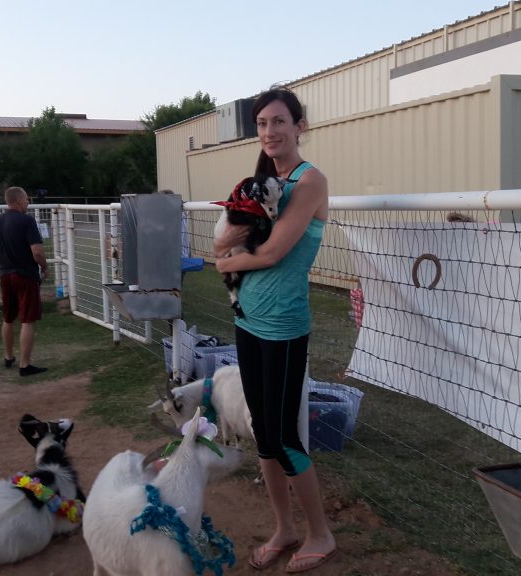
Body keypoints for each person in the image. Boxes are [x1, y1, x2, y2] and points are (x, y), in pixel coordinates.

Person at [215, 88, 336, 573]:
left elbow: (270, 254)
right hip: (247, 320)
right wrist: (225, 249)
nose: (269, 131)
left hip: (284, 327)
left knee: (285, 436)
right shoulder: (260, 183)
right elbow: (225, 237)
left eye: (279, 121)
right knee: (262, 433)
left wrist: (225, 257)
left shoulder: (310, 182)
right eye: (262, 123)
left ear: (300, 126)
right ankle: (284, 529)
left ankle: (320, 534)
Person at [0, 186, 49, 376]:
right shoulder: (27, 221)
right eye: (27, 200)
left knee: (8, 317)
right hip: (25, 275)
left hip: (5, 274)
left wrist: (4, 262)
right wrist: (44, 267)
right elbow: (36, 251)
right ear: (19, 200)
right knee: (28, 319)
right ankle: (25, 365)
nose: (28, 203)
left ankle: (8, 356)